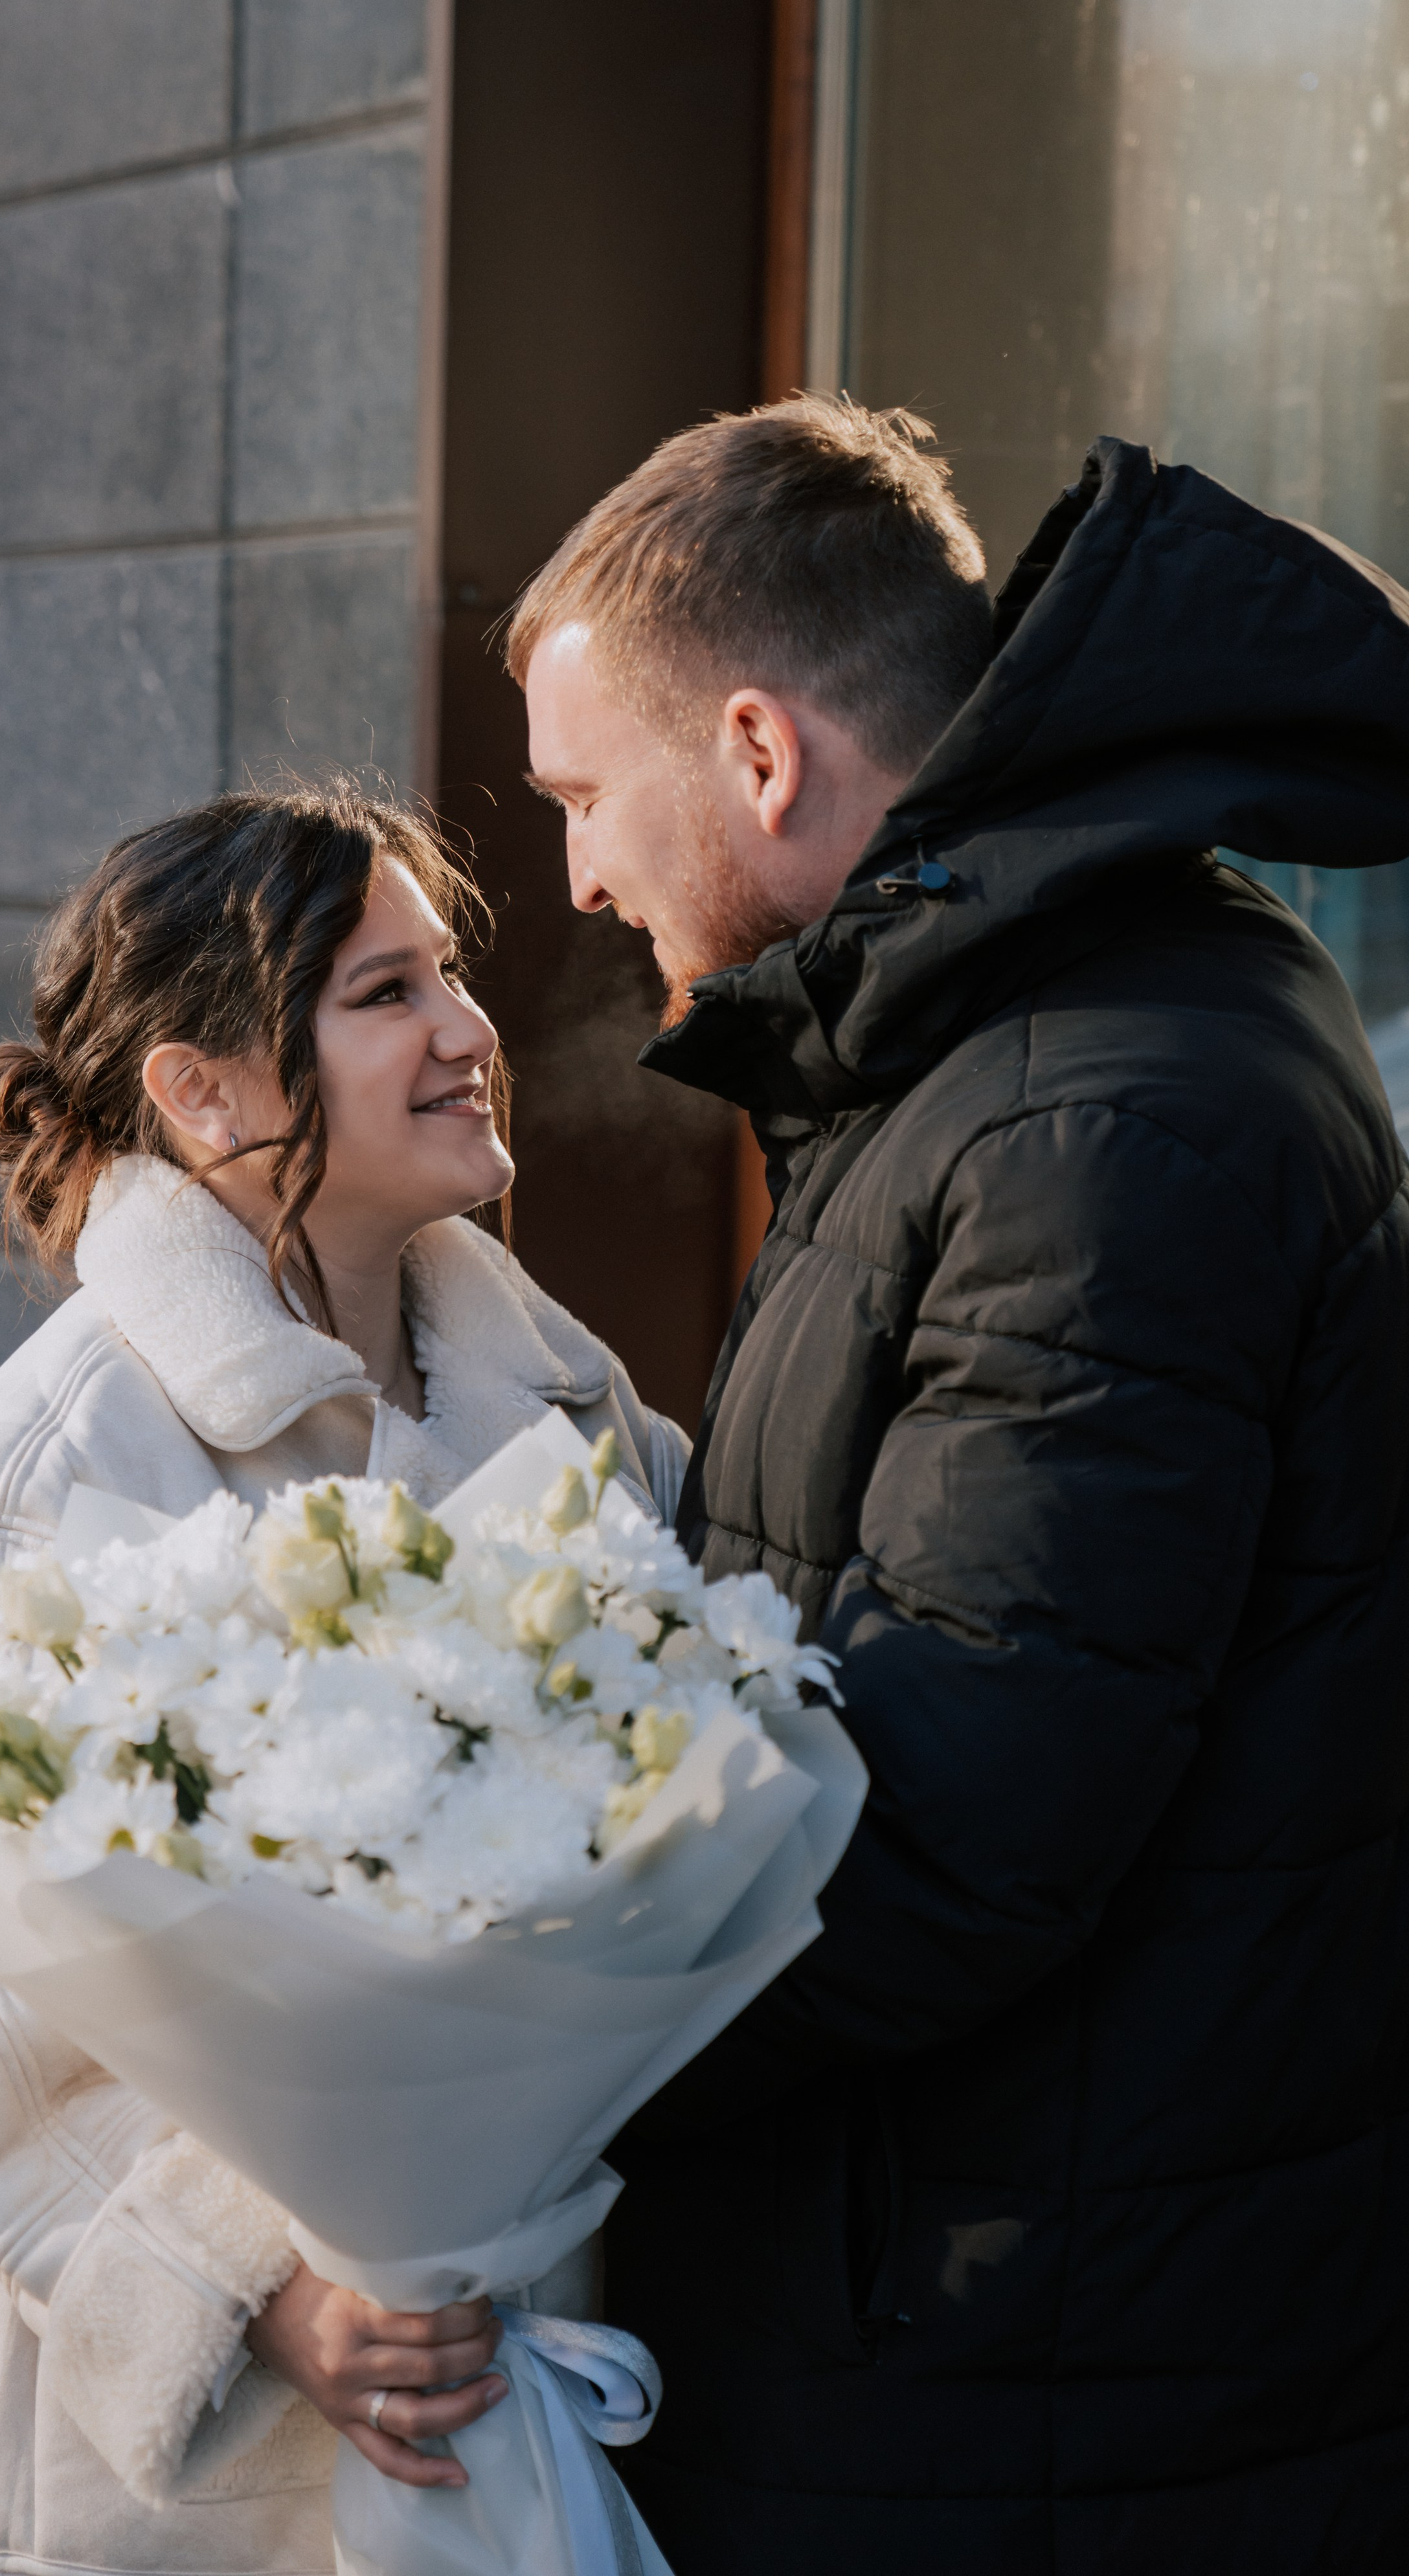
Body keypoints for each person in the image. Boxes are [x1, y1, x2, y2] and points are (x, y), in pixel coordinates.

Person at [513, 398, 1409, 2573]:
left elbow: (946, 1823)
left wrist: (480, 2048)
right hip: (993, 2308)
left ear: (757, 751)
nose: (579, 877)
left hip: (1031, 2384)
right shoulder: (1004, 1039)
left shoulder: (1096, 1113)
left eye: (582, 797)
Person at [0, 785, 687, 2576]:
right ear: (204, 1090)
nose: (468, 1029)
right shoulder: (19, 1490)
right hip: (154, 2494)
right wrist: (258, 2288)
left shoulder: (572, 1410)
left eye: (449, 973)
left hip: (496, 2396)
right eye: (385, 993)